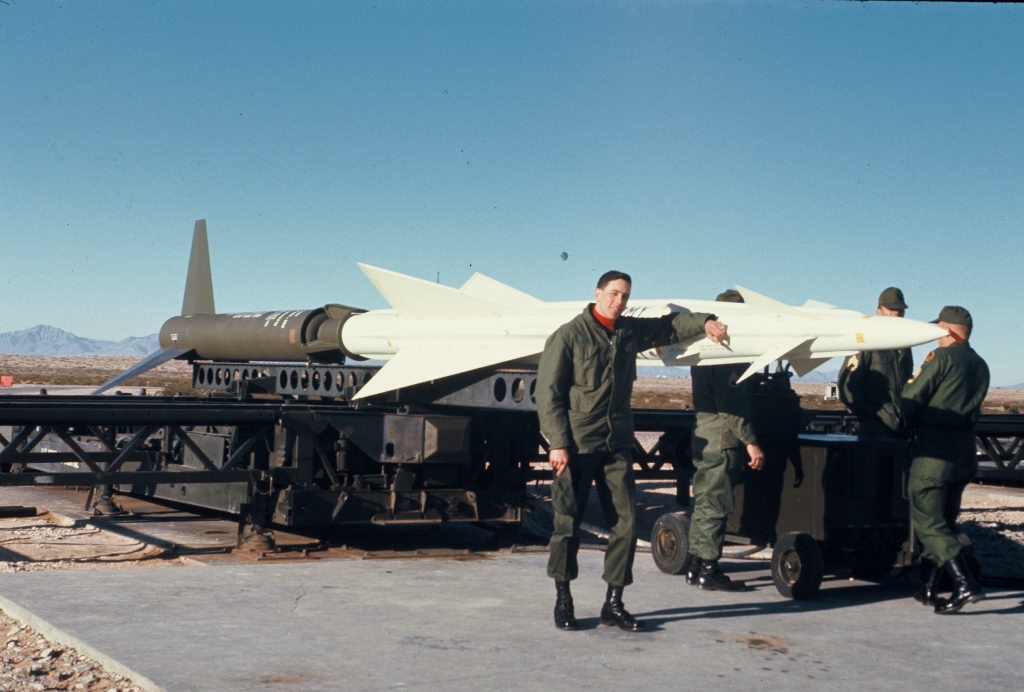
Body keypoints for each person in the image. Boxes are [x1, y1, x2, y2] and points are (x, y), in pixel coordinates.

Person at [536, 270, 727, 631]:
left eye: (624, 296)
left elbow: (668, 327)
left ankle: (614, 603)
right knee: (567, 525)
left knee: (624, 525)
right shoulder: (568, 337)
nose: (618, 301)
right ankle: (564, 598)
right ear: (597, 293)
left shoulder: (627, 332)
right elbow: (548, 395)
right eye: (613, 294)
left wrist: (705, 322)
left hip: (616, 445)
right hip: (576, 446)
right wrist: (558, 443)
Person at [900, 305, 989, 614]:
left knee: (928, 522)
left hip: (933, 453)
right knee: (945, 523)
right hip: (963, 453)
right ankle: (928, 586)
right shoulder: (980, 364)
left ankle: (966, 586)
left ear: (948, 331)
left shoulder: (941, 358)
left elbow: (911, 400)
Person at [682, 290, 765, 591]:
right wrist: (750, 441)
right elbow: (731, 405)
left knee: (703, 502)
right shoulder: (728, 352)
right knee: (715, 505)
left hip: (704, 434)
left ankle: (694, 565)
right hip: (721, 437)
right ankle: (708, 570)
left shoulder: (704, 347)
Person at [837, 287, 914, 439]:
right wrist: (870, 416)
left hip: (900, 429)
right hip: (874, 431)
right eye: (891, 309)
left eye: (900, 310)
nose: (896, 314)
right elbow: (847, 385)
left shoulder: (905, 344)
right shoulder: (866, 341)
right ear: (878, 311)